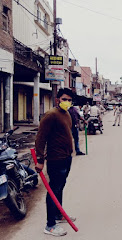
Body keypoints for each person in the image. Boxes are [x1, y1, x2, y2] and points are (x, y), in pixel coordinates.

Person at [34, 88, 76, 237]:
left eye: (70, 100)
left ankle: (58, 214)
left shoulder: (67, 114)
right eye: (65, 99)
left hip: (66, 157)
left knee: (60, 187)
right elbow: (40, 137)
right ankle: (50, 224)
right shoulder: (51, 115)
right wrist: (39, 160)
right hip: (55, 159)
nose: (67, 102)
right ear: (58, 99)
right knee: (53, 190)